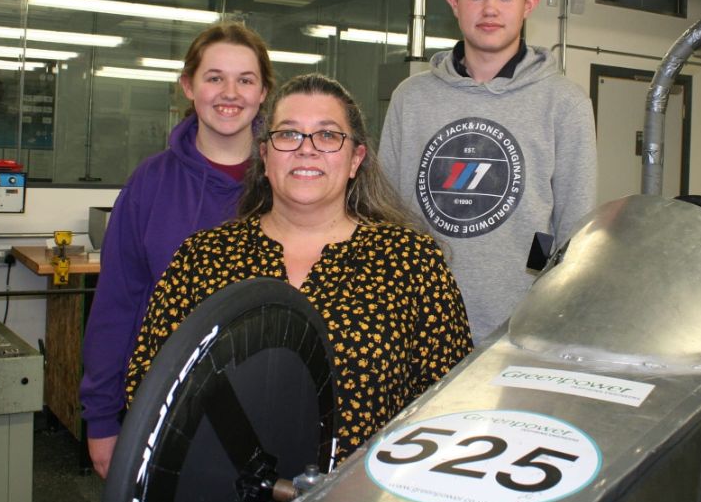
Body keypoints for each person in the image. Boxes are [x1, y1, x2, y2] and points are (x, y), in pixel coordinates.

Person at [124, 74, 472, 460]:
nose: (306, 149)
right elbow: (150, 387)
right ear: (265, 156)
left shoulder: (411, 261)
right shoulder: (202, 258)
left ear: (355, 159)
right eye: (288, 135)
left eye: (327, 136)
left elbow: (449, 403)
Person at [80, 22, 275, 478]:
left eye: (245, 80)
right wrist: (102, 419)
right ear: (188, 86)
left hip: (270, 401)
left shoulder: (289, 179)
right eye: (214, 78)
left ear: (264, 91)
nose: (230, 93)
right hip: (168, 405)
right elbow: (116, 307)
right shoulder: (150, 184)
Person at [379, 0, 597, 340]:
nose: (491, 9)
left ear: (528, 5)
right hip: (418, 325)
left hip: (519, 330)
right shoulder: (411, 99)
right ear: (454, 3)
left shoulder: (564, 103)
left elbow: (575, 234)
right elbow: (385, 217)